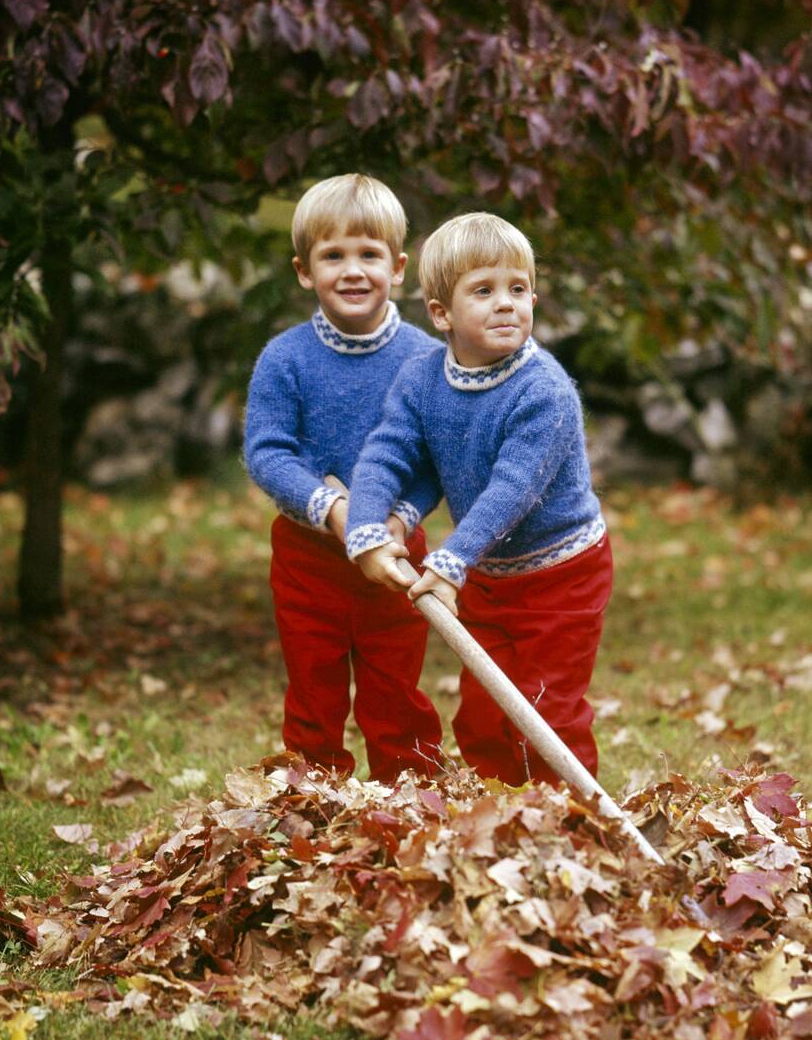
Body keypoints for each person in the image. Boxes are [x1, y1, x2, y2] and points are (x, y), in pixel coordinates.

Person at [344, 212, 611, 787]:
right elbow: (387, 454)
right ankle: (499, 817)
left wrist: (448, 562)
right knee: (487, 714)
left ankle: (572, 821)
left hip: (562, 573)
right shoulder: (421, 381)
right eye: (484, 291)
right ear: (441, 313)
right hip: (489, 573)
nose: (506, 304)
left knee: (546, 708)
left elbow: (510, 491)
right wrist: (365, 528)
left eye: (518, 289)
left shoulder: (544, 390)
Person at [243, 173, 443, 779]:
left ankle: (408, 800)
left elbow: (434, 461)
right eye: (334, 256)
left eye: (369, 255)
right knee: (314, 689)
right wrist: (332, 510)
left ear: (399, 267)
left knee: (395, 690)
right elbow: (268, 452)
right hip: (310, 557)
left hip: (396, 555)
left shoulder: (424, 359)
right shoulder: (286, 358)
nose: (352, 270)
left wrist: (395, 520)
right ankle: (313, 799)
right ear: (305, 270)